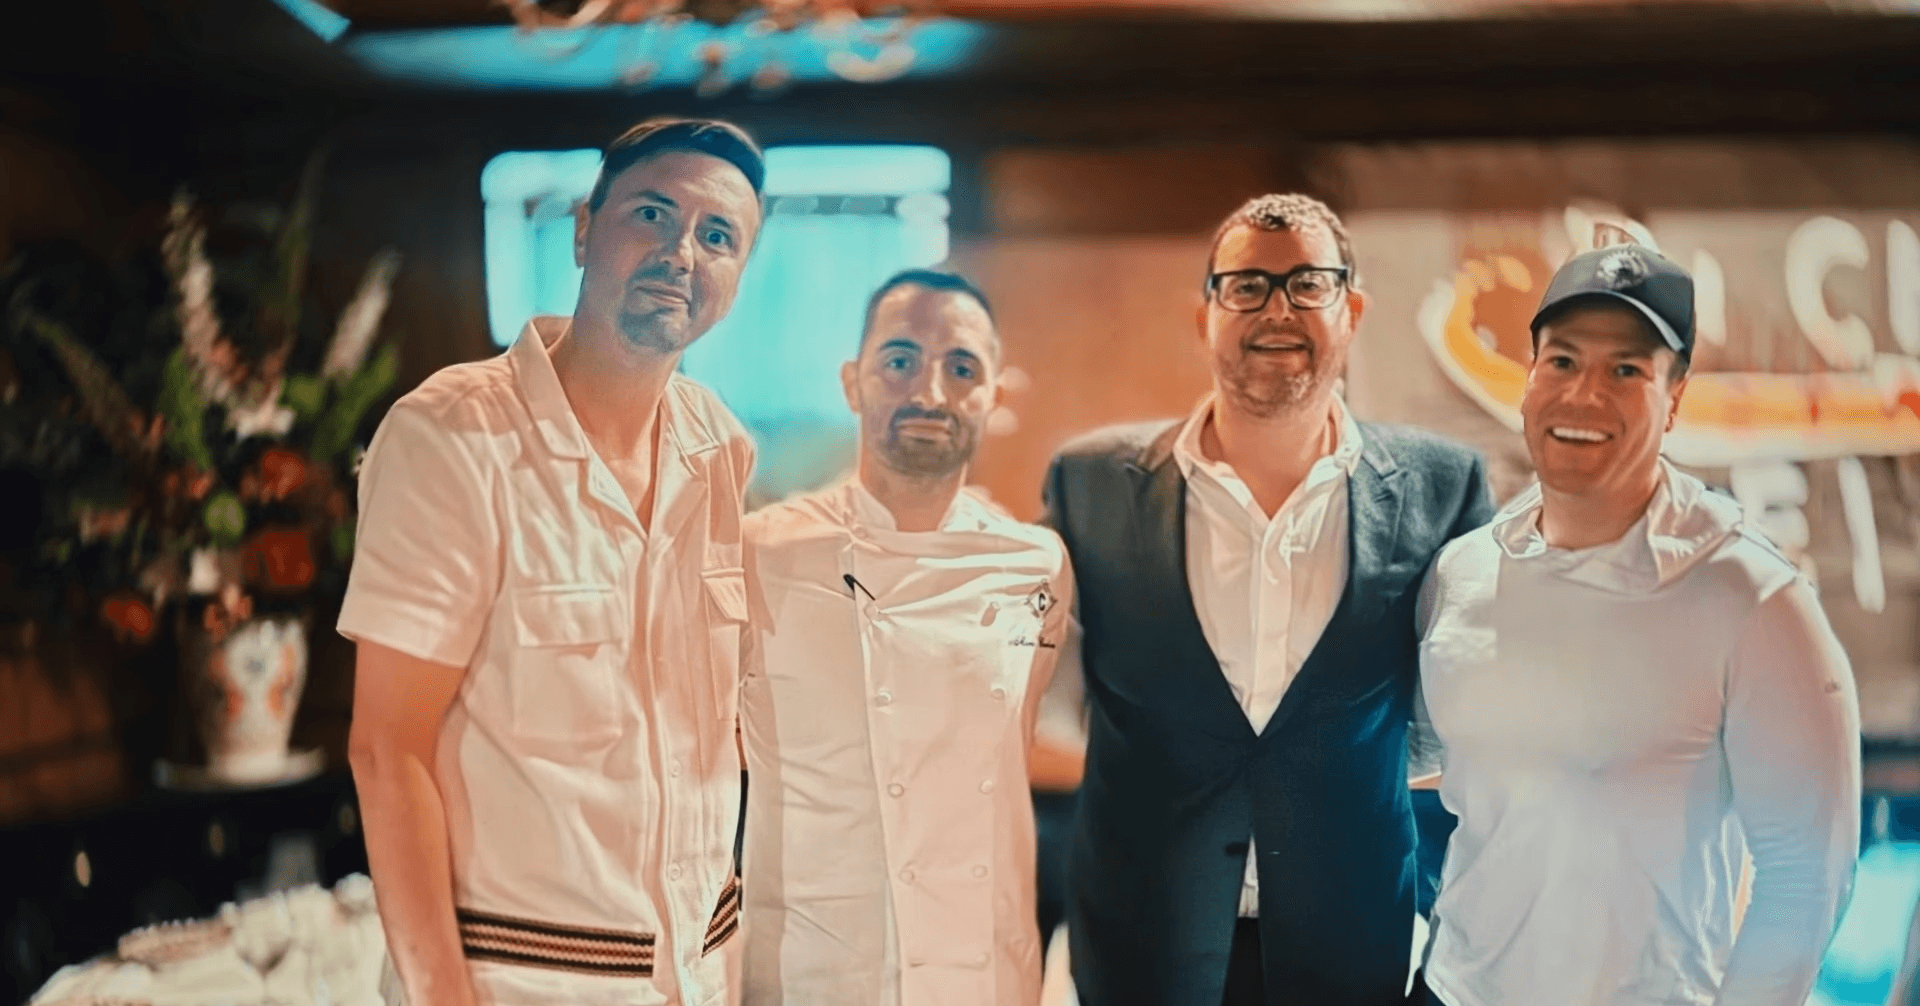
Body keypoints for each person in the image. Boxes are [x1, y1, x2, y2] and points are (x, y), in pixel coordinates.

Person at [340, 118, 766, 1006]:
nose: (682, 252)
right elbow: (388, 750)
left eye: (717, 236)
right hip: (521, 987)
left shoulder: (721, 446)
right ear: (583, 230)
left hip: (704, 978)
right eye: (652, 215)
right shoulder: (451, 436)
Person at [1041, 193, 1494, 1006]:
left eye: (1307, 284)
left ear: (1351, 309)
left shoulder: (1443, 486)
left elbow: (1454, 718)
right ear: (1205, 314)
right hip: (1141, 944)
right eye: (1246, 285)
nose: (1275, 309)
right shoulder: (1089, 483)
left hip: (1349, 946)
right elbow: (1055, 698)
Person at [1411, 244, 1862, 1006]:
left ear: (1675, 397)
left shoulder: (1751, 596)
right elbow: (1407, 749)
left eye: (1626, 370)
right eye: (1561, 361)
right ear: (1527, 378)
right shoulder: (1462, 571)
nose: (1583, 394)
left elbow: (1806, 879)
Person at [739, 269, 1073, 1006]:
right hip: (809, 975)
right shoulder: (759, 552)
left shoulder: (1037, 563)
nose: (930, 392)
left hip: (980, 971)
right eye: (900, 361)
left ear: (994, 395)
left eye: (962, 368)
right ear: (853, 382)